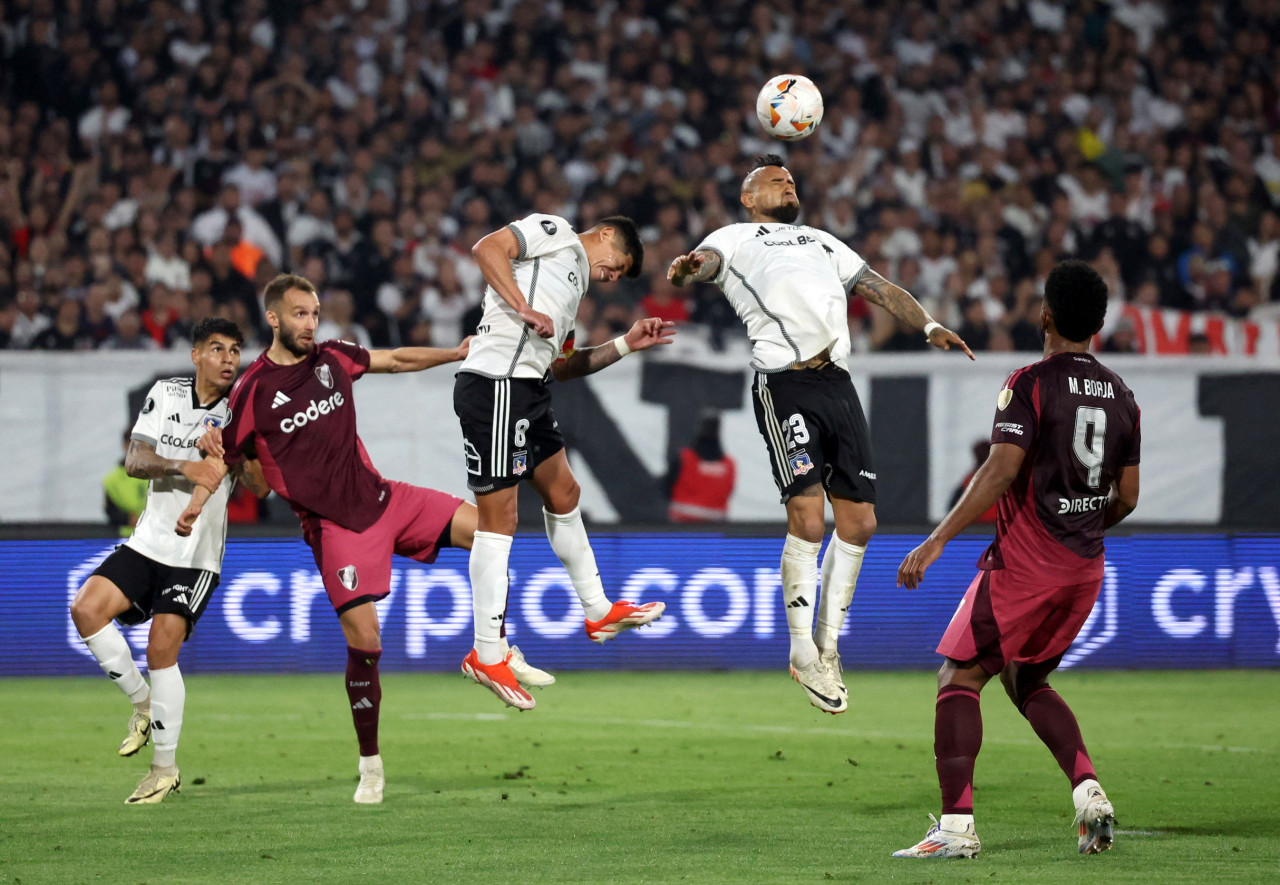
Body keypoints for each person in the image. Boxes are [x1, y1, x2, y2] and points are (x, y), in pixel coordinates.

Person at [182, 273, 551, 805]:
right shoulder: (252, 392)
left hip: (387, 500)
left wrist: (455, 352)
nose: (310, 323)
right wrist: (225, 460)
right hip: (336, 530)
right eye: (300, 314)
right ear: (274, 319)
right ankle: (371, 765)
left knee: (493, 530)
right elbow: (254, 484)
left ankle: (491, 650)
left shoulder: (334, 358)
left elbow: (395, 359)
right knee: (368, 645)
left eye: (314, 313)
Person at [667, 155, 973, 714]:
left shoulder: (822, 242)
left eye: (790, 179)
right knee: (807, 515)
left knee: (860, 521)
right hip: (784, 382)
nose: (787, 184)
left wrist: (928, 325)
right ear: (749, 198)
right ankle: (801, 649)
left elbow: (878, 287)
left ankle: (828, 647)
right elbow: (701, 263)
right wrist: (688, 267)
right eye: (773, 181)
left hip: (838, 383)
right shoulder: (734, 237)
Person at [892, 260, 1140, 859]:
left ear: (1046, 315)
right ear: (1098, 326)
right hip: (1085, 570)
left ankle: (955, 830)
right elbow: (1127, 498)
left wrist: (937, 539)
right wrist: (1080, 523)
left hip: (1026, 564)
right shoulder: (1124, 396)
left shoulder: (1029, 382)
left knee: (959, 675)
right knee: (1025, 677)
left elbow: (1001, 469)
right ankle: (1090, 797)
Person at [455, 213, 675, 711]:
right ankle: (486, 653)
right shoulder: (554, 232)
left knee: (565, 493)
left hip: (529, 389)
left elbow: (563, 367)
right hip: (495, 383)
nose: (613, 277)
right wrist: (524, 308)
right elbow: (488, 248)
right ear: (605, 236)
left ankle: (597, 610)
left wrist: (625, 343)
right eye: (617, 266)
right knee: (500, 519)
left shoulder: (571, 291)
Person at [69, 318, 264, 804]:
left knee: (161, 648)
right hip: (147, 542)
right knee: (86, 609)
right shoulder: (167, 393)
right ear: (197, 354)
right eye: (217, 349)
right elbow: (136, 461)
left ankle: (164, 768)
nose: (228, 359)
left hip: (194, 556)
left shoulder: (243, 410)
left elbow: (261, 488)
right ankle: (143, 703)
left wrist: (241, 454)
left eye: (235, 350)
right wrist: (185, 463)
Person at [666, 410, 737, 523]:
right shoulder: (729, 464)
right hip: (716, 524)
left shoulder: (685, 459)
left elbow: (667, 487)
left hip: (682, 522)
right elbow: (729, 490)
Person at [103, 428, 149, 536]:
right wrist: (128, 519)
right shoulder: (112, 479)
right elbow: (111, 511)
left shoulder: (159, 473)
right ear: (125, 445)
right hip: (128, 538)